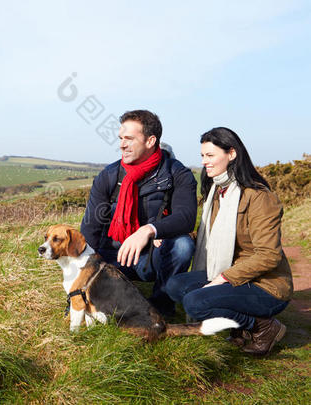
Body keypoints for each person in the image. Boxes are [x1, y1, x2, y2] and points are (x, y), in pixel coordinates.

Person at [165, 127, 293, 355]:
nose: (205, 161)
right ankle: (241, 326)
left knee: (195, 302)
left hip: (266, 286)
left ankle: (262, 327)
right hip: (230, 271)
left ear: (231, 154)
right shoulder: (217, 191)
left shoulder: (259, 197)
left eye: (210, 155)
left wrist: (224, 278)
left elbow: (269, 255)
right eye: (203, 156)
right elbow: (210, 234)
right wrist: (171, 238)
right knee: (176, 285)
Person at [81, 110, 197, 317]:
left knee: (182, 244)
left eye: (129, 139)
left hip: (150, 257)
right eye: (120, 139)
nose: (122, 145)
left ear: (151, 141)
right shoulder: (108, 176)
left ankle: (161, 307)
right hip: (111, 258)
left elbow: (186, 218)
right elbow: (90, 229)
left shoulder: (177, 173)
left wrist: (149, 230)